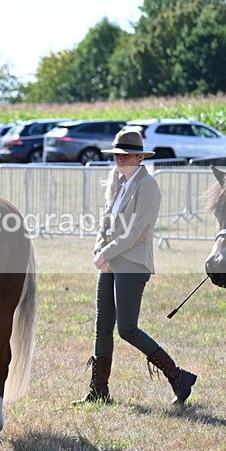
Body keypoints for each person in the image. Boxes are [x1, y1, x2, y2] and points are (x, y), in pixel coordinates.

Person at [72, 129, 197, 405]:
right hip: (110, 261)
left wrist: (106, 252)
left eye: (126, 155)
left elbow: (138, 230)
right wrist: (99, 251)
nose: (120, 159)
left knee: (127, 329)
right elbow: (105, 221)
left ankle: (178, 376)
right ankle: (98, 391)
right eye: (117, 154)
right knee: (102, 327)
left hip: (133, 262)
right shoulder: (117, 183)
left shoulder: (148, 186)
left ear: (140, 156)